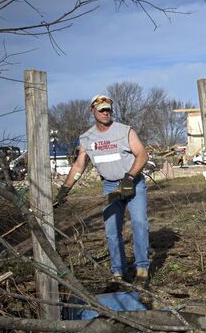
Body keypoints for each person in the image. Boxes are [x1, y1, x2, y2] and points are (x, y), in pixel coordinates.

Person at [56, 94, 151, 283]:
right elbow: (78, 166)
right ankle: (118, 273)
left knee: (139, 224)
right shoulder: (87, 138)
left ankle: (142, 270)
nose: (105, 113)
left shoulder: (125, 131)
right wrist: (64, 189)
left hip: (132, 183)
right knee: (111, 231)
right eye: (101, 110)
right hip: (110, 186)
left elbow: (142, 155)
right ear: (93, 111)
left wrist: (129, 178)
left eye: (108, 109)